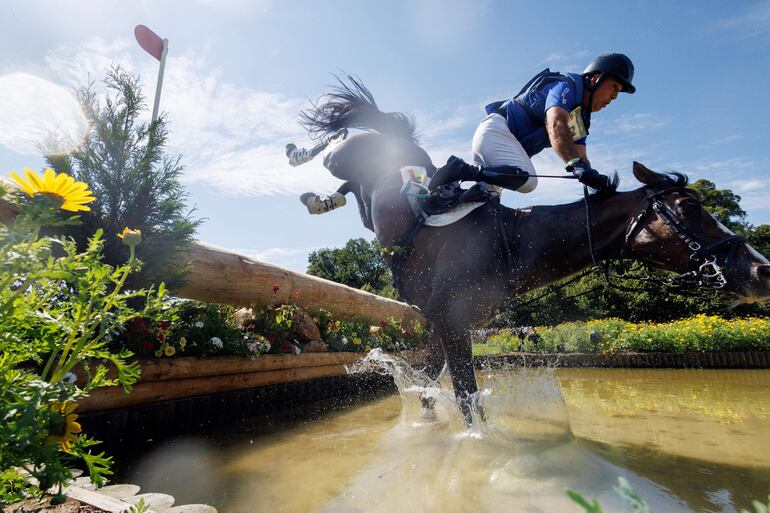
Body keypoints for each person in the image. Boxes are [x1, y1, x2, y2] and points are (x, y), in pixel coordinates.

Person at [429, 53, 636, 194]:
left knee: (485, 213)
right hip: (495, 133)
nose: (614, 97)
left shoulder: (580, 117)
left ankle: (447, 188)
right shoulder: (567, 86)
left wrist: (598, 186)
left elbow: (581, 158)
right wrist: (575, 165)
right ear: (595, 79)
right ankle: (461, 170)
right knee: (529, 181)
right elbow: (556, 125)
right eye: (614, 87)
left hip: (503, 158)